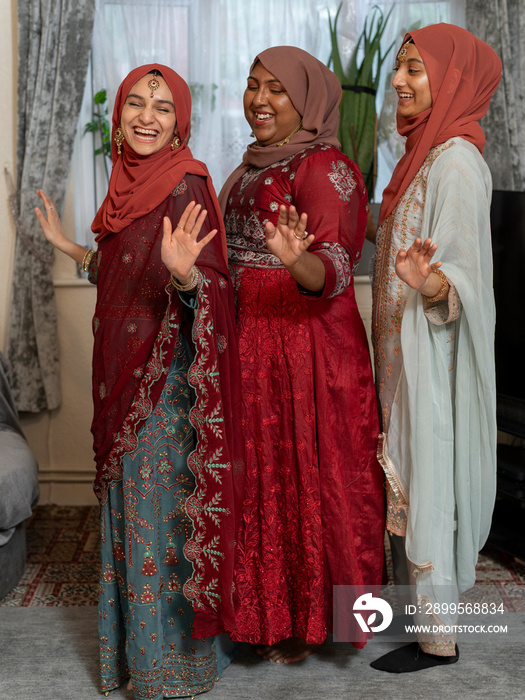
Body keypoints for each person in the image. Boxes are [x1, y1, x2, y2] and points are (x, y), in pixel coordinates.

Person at [35, 64, 244, 699]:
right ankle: (138, 658)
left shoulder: (187, 184)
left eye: (160, 106)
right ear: (119, 113)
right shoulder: (125, 182)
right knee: (131, 510)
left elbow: (206, 284)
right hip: (120, 377)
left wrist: (183, 275)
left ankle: (173, 668)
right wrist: (69, 246)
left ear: (180, 120)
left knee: (159, 516)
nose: (145, 116)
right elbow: (122, 269)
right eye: (134, 103)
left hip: (165, 385)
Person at [218, 46, 385, 664]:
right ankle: (262, 617)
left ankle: (311, 623)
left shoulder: (327, 167)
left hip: (305, 353)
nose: (259, 100)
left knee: (308, 481)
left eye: (277, 90)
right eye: (252, 85)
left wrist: (295, 262)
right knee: (258, 482)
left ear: (308, 101)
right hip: (251, 349)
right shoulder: (246, 170)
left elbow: (336, 270)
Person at [369, 25, 501, 672]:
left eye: (415, 70)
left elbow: (464, 278)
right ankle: (421, 625)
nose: (398, 81)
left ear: (450, 80)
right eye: (399, 67)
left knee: (430, 482)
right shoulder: (421, 155)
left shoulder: (454, 161)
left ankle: (439, 640)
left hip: (433, 362)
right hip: (401, 361)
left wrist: (431, 283)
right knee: (410, 482)